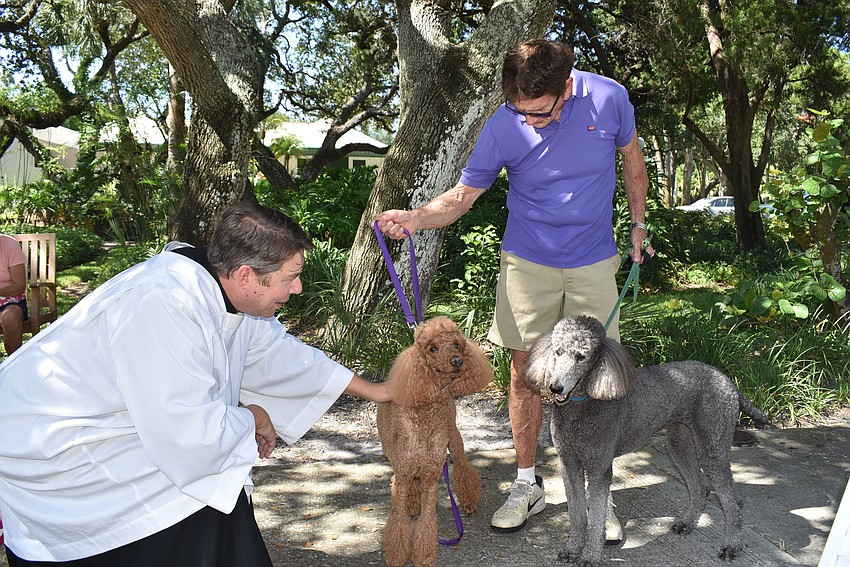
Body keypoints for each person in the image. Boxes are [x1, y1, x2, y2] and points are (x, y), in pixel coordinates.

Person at [0, 203, 390, 566]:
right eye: (290, 278)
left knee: (217, 478)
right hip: (57, 448)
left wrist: (380, 392)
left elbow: (278, 355)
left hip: (119, 425)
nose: (298, 288)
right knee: (203, 478)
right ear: (245, 275)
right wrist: (252, 417)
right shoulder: (162, 303)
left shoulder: (224, 290)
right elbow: (187, 435)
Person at [374, 39, 652, 541]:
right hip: (528, 262)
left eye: (540, 113)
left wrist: (638, 223)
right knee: (525, 374)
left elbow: (633, 159)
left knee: (596, 376)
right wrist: (415, 218)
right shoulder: (505, 123)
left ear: (567, 88)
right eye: (521, 111)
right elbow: (463, 195)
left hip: (593, 260)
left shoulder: (609, 99)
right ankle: (527, 484)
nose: (530, 121)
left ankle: (597, 495)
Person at [0, 234, 28, 356]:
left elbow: (19, 285)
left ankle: (13, 366)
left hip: (11, 300)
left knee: (10, 318)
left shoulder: (9, 244)